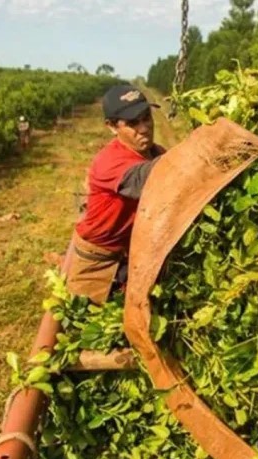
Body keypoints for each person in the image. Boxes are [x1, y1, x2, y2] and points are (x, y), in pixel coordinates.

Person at [66, 85, 166, 304]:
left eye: (146, 118)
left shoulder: (155, 153)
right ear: (111, 127)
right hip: (98, 262)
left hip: (130, 255)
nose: (144, 128)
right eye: (132, 123)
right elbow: (151, 178)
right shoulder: (110, 162)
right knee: (88, 325)